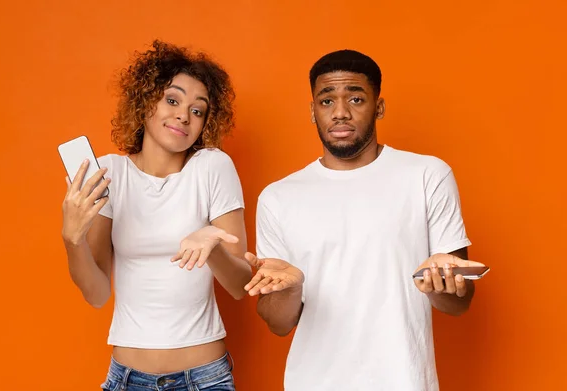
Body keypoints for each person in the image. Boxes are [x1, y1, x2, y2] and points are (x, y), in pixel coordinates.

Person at [243, 49, 484, 391]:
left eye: (355, 98)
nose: (340, 113)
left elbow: (460, 302)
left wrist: (441, 285)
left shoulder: (427, 175)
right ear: (313, 111)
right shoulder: (278, 197)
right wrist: (292, 289)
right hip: (312, 382)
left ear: (379, 107)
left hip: (405, 380)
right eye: (326, 102)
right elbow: (278, 324)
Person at [61, 40, 251, 391]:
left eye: (198, 110)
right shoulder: (110, 173)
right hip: (127, 378)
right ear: (146, 101)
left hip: (204, 378)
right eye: (173, 100)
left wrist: (212, 246)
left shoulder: (212, 167)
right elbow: (97, 293)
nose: (184, 115)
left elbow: (240, 285)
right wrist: (73, 240)